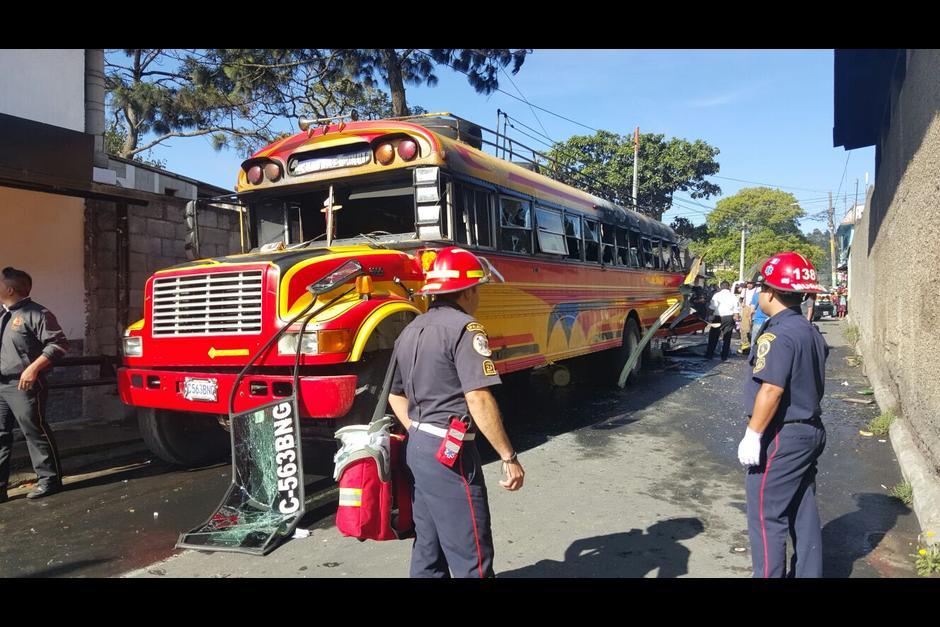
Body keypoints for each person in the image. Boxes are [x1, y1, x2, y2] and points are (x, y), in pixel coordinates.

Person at [387, 247, 524, 578]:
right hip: (450, 453)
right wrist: (509, 456)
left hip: (417, 445)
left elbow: (394, 394)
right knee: (471, 551)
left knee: (428, 547)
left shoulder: (410, 329)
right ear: (468, 290)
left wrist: (419, 432)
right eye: (478, 288)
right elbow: (477, 397)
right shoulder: (465, 328)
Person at [736, 252, 829, 577]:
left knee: (766, 515)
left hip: (782, 437)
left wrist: (753, 435)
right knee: (802, 508)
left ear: (770, 292)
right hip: (809, 431)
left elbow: (772, 390)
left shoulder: (778, 335)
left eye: (760, 288)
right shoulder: (809, 330)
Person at [0, 267, 68, 503]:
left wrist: (33, 368)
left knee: (34, 431)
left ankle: (49, 480)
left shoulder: (37, 313)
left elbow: (58, 345)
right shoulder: (2, 314)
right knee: (0, 435)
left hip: (24, 384)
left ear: (10, 288)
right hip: (1, 386)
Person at [705, 281, 739, 360]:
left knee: (713, 336)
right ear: (729, 287)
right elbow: (736, 310)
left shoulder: (717, 295)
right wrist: (736, 318)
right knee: (727, 337)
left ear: (720, 287)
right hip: (729, 317)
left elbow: (712, 307)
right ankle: (724, 356)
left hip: (718, 317)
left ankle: (709, 354)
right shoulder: (732, 296)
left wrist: (708, 315)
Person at [738, 280, 757, 355]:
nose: (749, 285)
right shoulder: (744, 290)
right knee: (744, 328)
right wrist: (741, 303)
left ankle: (753, 345)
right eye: (748, 283)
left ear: (754, 283)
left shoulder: (757, 290)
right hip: (746, 308)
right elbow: (741, 298)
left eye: (751, 283)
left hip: (755, 309)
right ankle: (745, 345)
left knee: (754, 328)